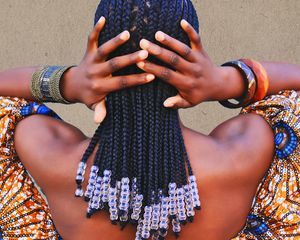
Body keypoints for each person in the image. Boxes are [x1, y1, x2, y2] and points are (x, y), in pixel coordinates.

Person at [0, 0, 299, 239]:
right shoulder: (245, 151)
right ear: (194, 57)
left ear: (97, 56)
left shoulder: (50, 158)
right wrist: (228, 81)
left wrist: (67, 83)